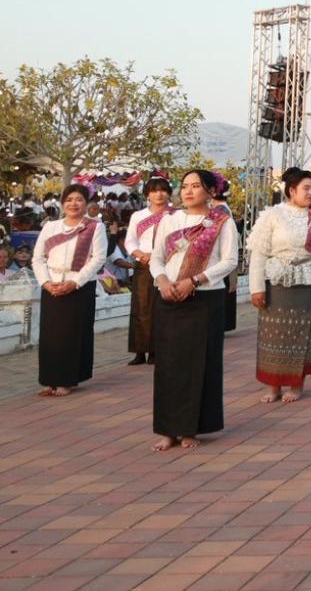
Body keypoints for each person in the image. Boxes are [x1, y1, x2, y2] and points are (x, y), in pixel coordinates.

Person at [150, 169, 238, 451]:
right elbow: (156, 258)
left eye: (196, 186)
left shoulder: (222, 222)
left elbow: (229, 261)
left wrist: (196, 280)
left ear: (210, 191)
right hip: (169, 297)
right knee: (168, 366)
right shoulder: (169, 220)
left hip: (204, 300)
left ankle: (191, 428)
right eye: (185, 186)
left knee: (199, 364)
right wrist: (163, 281)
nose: (188, 191)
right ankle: (168, 429)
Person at [248, 168, 311, 405]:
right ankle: (273, 386)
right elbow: (259, 253)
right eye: (306, 188)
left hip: (309, 283)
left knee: (303, 335)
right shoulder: (273, 215)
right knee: (274, 336)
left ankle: (297, 385)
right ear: (291, 191)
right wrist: (256, 287)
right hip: (278, 283)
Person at [33, 184, 108, 397]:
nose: (73, 204)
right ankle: (50, 380)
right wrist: (46, 283)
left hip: (79, 287)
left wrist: (75, 282)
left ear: (86, 203)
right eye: (69, 200)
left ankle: (67, 380)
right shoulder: (50, 227)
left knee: (72, 334)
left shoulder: (95, 227)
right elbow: (38, 258)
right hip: (52, 285)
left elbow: (98, 258)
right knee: (51, 336)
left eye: (79, 199)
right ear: (62, 203)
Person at [125, 176, 173, 365]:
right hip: (144, 265)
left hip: (166, 266)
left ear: (168, 193)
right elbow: (130, 241)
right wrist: (140, 255)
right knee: (141, 308)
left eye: (162, 190)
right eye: (154, 191)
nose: (158, 194)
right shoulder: (138, 216)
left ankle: (155, 350)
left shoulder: (175, 215)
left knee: (160, 307)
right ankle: (139, 351)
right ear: (147, 194)